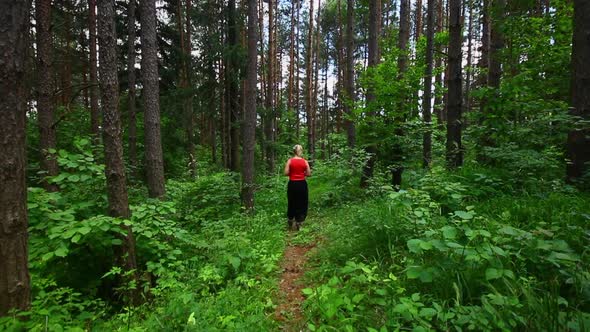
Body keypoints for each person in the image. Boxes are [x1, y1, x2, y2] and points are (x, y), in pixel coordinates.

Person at [284, 144, 311, 231]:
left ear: (294, 152)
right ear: (301, 151)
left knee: (292, 201)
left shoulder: (290, 161)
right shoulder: (304, 161)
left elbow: (286, 173)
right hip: (302, 184)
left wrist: (292, 173)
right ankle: (299, 221)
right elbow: (309, 174)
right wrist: (302, 173)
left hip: (292, 184)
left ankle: (291, 218)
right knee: (302, 201)